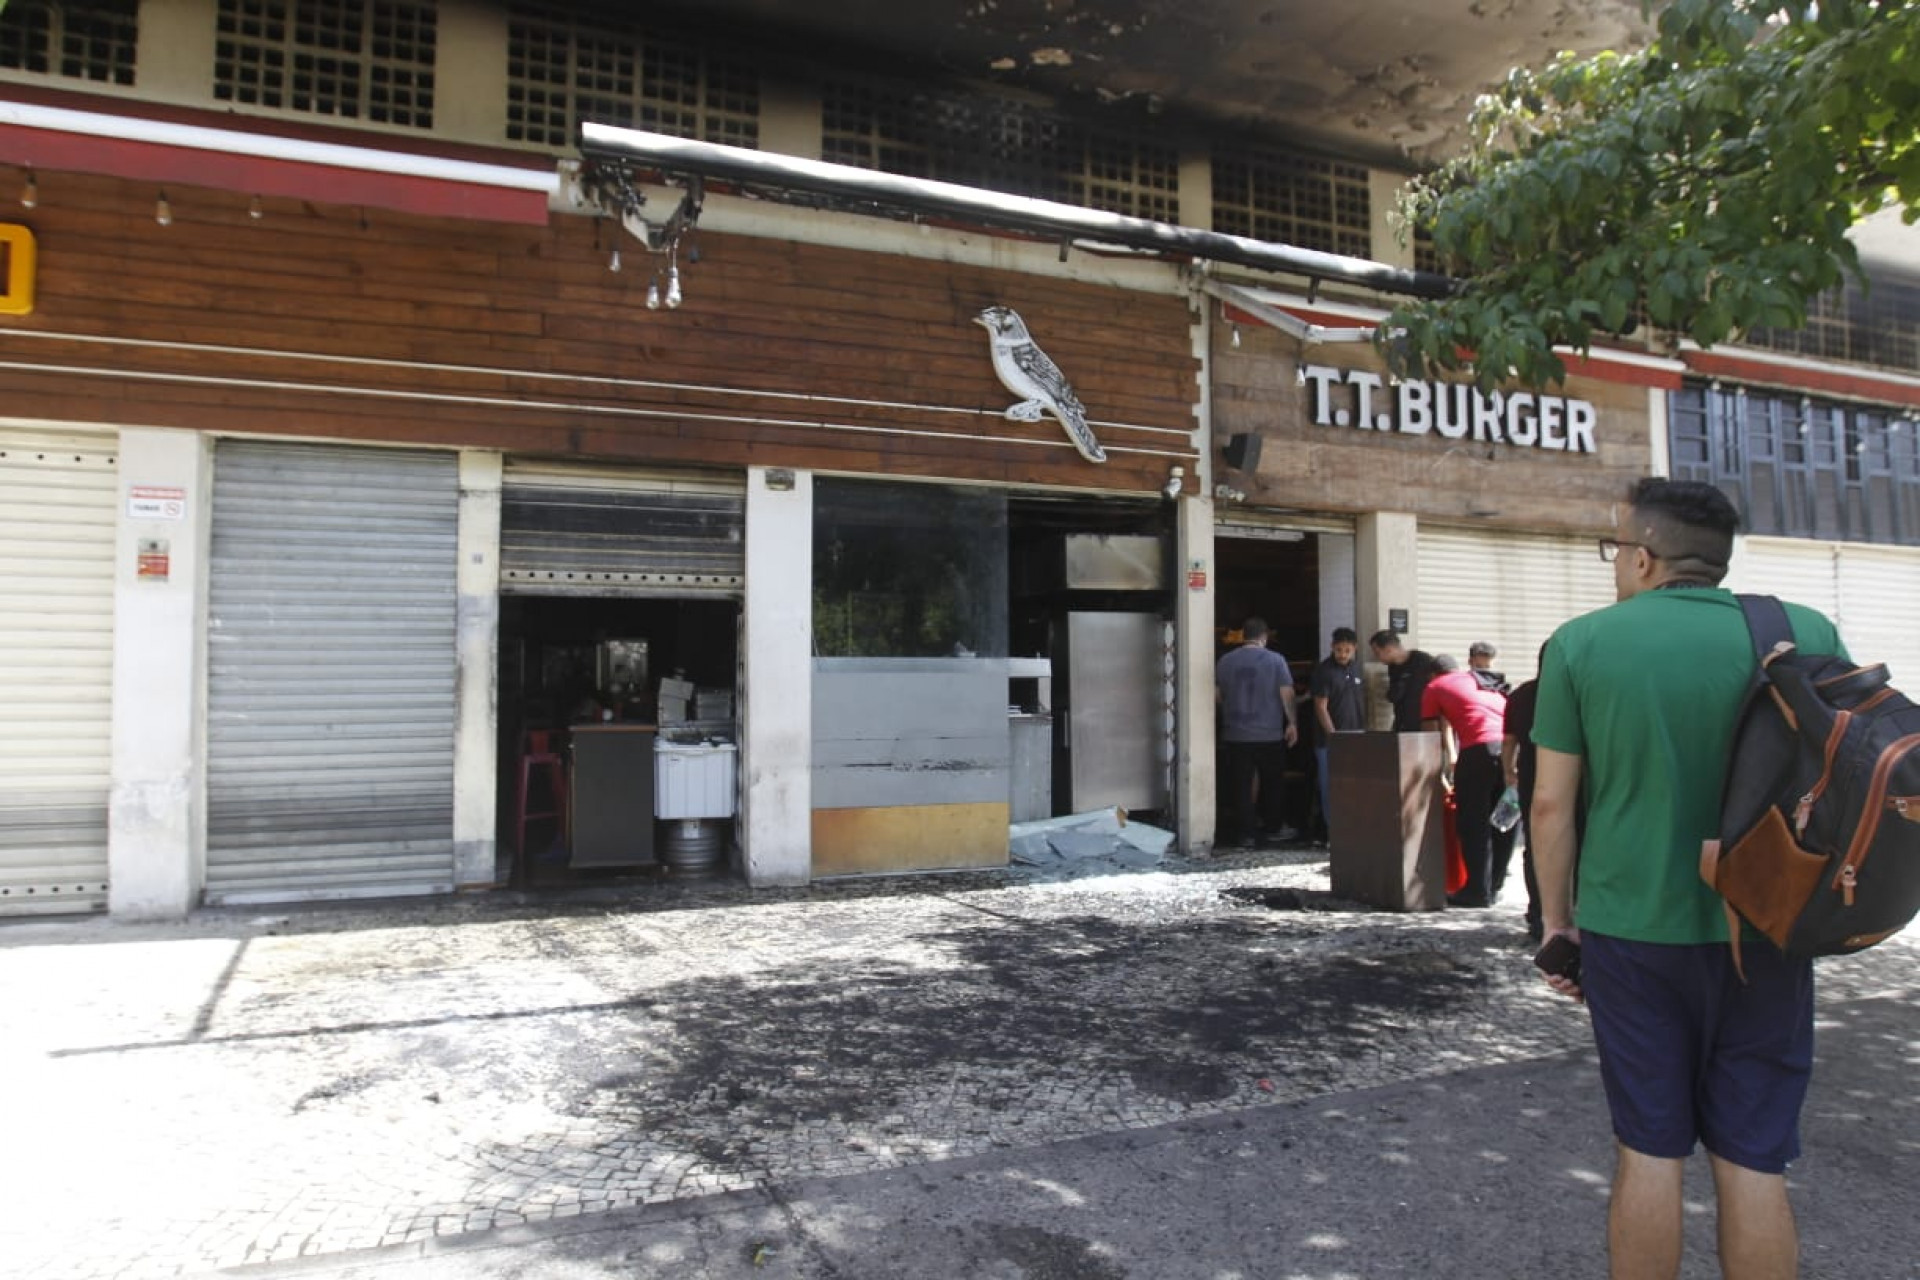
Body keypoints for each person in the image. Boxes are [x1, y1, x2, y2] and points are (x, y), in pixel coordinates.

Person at [1531, 478, 1847, 1280]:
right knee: (1754, 1159)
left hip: (1632, 932)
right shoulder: (1805, 631)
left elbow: (1550, 805)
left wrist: (1558, 925)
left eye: (1614, 550)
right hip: (1770, 925)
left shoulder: (1582, 643)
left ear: (1643, 557)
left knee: (1649, 1148)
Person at [1420, 653, 1512, 908]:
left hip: (1478, 752)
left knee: (1473, 822)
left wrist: (1436, 772)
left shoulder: (1434, 687)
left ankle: (1476, 891)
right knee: (1505, 819)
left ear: (1432, 674)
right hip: (1511, 749)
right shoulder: (1479, 681)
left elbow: (1430, 736)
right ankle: (1494, 887)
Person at [1215, 617, 1299, 849]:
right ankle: (1273, 827)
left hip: (1236, 734)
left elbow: (1218, 696)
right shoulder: (1276, 660)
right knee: (1272, 782)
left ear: (1243, 635)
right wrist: (1292, 723)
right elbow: (1287, 694)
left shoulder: (1225, 661)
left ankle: (1246, 833)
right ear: (1265, 637)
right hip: (1269, 733)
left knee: (1241, 784)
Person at [1308, 626, 1366, 843]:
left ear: (1355, 649)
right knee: (1330, 787)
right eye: (1339, 650)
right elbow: (1320, 707)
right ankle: (1332, 831)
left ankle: (1352, 829)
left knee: (1354, 786)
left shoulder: (1357, 669)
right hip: (1330, 741)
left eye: (1347, 650)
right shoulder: (1324, 672)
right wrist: (1332, 735)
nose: (1342, 654)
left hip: (1356, 735)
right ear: (1332, 647)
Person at [1368, 629, 1437, 733]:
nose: (1377, 658)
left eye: (1378, 653)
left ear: (1388, 649)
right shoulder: (1393, 668)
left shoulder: (1423, 662)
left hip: (1424, 727)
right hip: (1402, 726)